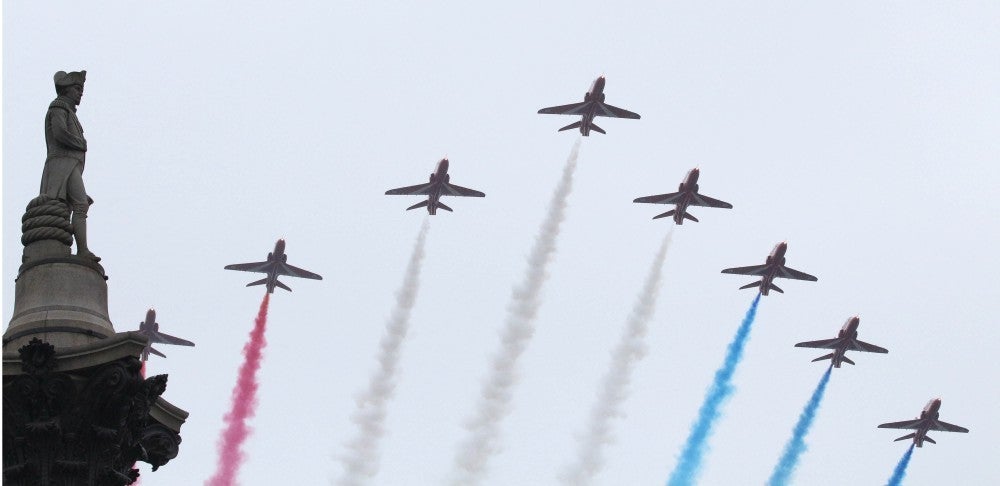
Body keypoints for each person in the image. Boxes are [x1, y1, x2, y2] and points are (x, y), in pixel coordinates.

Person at [39, 70, 99, 261]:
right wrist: (81, 143)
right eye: (77, 88)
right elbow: (59, 133)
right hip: (62, 163)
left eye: (81, 89)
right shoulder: (59, 108)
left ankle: (82, 250)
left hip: (70, 164)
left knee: (75, 205)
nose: (80, 92)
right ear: (66, 89)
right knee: (79, 203)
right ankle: (83, 250)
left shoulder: (68, 112)